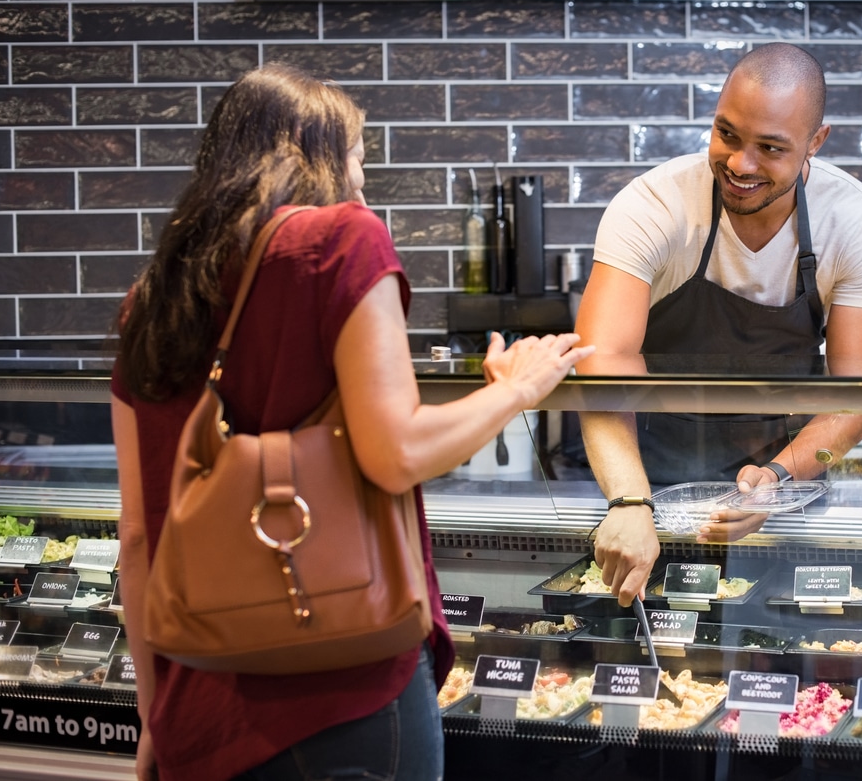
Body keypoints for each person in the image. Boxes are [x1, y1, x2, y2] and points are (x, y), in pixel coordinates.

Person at [111, 64, 592, 781]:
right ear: (315, 154)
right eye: (359, 158)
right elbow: (395, 451)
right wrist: (516, 390)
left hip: (198, 706)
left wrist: (158, 714)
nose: (362, 185)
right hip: (342, 694)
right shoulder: (341, 243)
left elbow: (141, 534)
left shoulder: (152, 297)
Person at [574, 42, 862, 607]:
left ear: (814, 144)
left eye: (771, 148)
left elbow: (855, 402)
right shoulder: (653, 207)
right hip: (646, 491)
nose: (741, 164)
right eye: (727, 134)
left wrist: (776, 482)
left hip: (781, 490)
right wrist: (629, 501)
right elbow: (603, 367)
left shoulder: (855, 222)